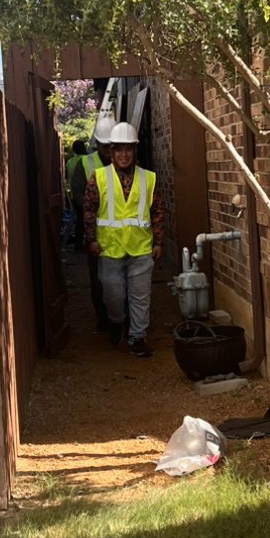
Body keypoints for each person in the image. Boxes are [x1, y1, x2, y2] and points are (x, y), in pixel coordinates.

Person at [83, 122, 164, 358]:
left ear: (134, 151)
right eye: (119, 149)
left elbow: (157, 211)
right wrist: (91, 239)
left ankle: (137, 337)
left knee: (140, 296)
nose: (124, 154)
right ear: (111, 152)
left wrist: (158, 242)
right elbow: (89, 210)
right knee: (113, 295)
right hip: (110, 249)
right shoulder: (98, 177)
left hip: (140, 249)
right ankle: (117, 321)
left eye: (128, 149)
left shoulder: (148, 178)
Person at [72, 117, 114, 330]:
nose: (109, 149)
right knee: (98, 279)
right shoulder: (85, 164)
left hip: (124, 234)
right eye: (105, 145)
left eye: (112, 144)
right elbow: (79, 197)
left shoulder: (126, 161)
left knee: (123, 280)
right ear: (97, 144)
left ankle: (124, 319)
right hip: (97, 232)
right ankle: (103, 319)